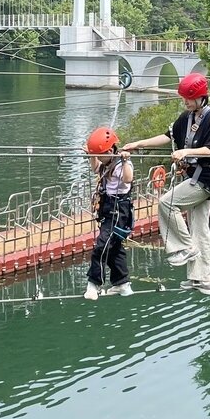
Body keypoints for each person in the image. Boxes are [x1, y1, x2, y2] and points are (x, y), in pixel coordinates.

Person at [122, 72, 210, 294]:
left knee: (167, 203)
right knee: (200, 229)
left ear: (201, 97)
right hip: (195, 176)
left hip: (206, 178)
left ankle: (185, 247)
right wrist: (138, 144)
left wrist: (185, 152)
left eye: (189, 98)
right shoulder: (187, 117)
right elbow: (167, 136)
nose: (185, 102)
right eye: (184, 98)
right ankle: (202, 280)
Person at [83, 126, 134, 300]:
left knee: (102, 246)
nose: (98, 158)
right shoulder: (106, 163)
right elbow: (95, 168)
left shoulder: (121, 164)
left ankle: (94, 283)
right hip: (108, 208)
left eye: (100, 155)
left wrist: (125, 161)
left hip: (119, 210)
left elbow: (128, 179)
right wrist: (92, 155)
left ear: (110, 151)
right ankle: (122, 283)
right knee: (114, 247)